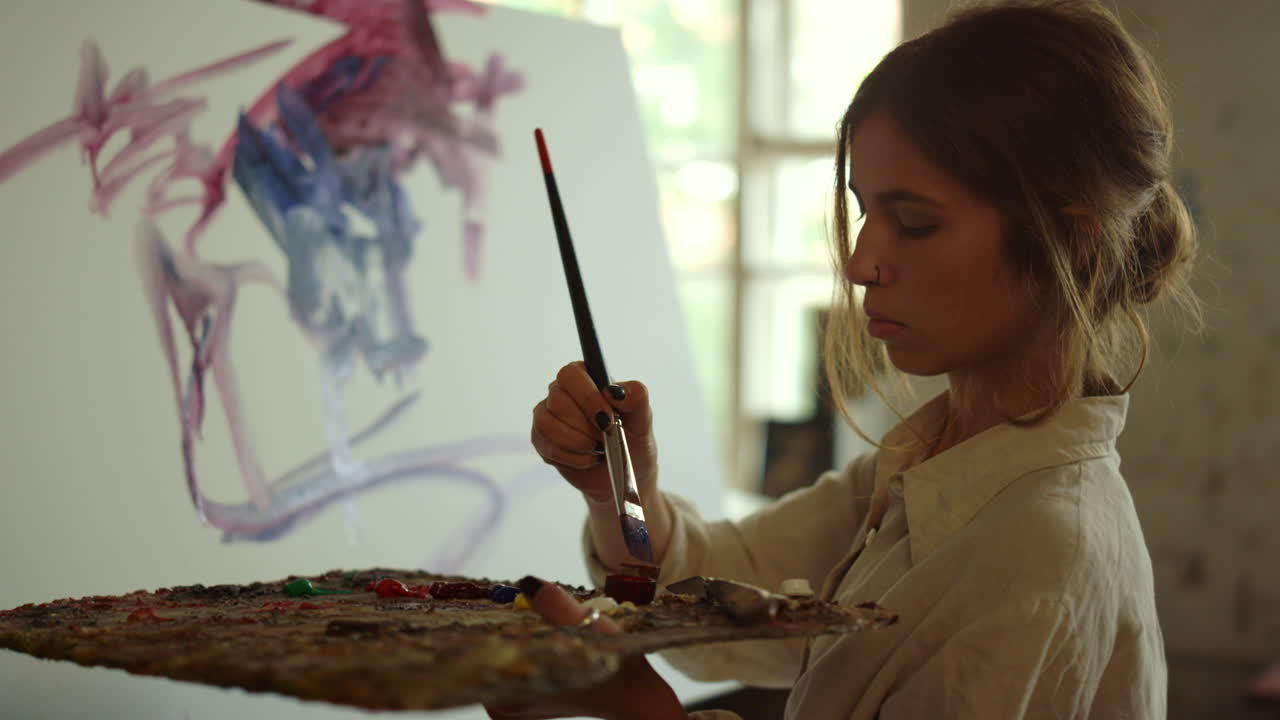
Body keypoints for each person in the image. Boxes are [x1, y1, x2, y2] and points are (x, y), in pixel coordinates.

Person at [487, 0, 1201, 717]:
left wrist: (634, 705)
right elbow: (707, 602)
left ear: (1071, 243)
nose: (860, 263)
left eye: (914, 224)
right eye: (864, 212)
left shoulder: (1036, 550)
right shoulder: (929, 466)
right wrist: (623, 494)